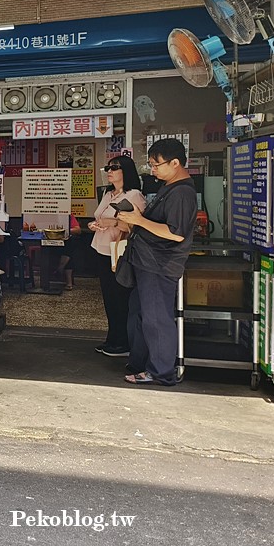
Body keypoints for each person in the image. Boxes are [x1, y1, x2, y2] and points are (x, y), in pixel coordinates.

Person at [115, 139, 197, 386]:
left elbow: (176, 232)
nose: (153, 170)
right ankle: (141, 362)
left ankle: (161, 371)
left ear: (175, 163)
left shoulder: (182, 192)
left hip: (160, 264)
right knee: (141, 313)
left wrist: (139, 221)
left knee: (156, 318)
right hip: (146, 262)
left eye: (156, 165)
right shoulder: (168, 187)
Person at [87, 155, 147, 357]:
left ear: (126, 171)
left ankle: (123, 342)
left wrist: (111, 223)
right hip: (101, 250)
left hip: (119, 252)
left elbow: (137, 227)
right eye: (108, 168)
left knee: (120, 298)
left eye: (114, 167)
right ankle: (112, 338)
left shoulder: (134, 195)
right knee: (109, 298)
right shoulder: (108, 193)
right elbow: (100, 217)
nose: (109, 171)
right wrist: (94, 225)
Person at [55, 214, 83, 289]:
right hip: (52, 242)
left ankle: (60, 269)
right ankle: (68, 282)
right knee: (69, 252)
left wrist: (65, 231)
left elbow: (78, 230)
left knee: (69, 246)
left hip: (66, 242)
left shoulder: (69, 215)